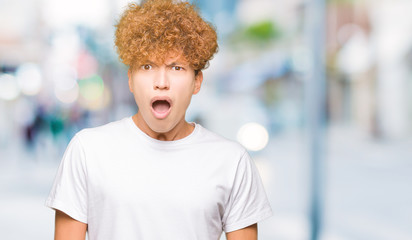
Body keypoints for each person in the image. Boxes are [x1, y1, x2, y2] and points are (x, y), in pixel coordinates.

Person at [45, 0, 272, 239]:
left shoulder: (232, 161)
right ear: (130, 79)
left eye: (176, 68)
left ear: (197, 81)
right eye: (147, 66)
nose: (161, 81)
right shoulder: (87, 151)